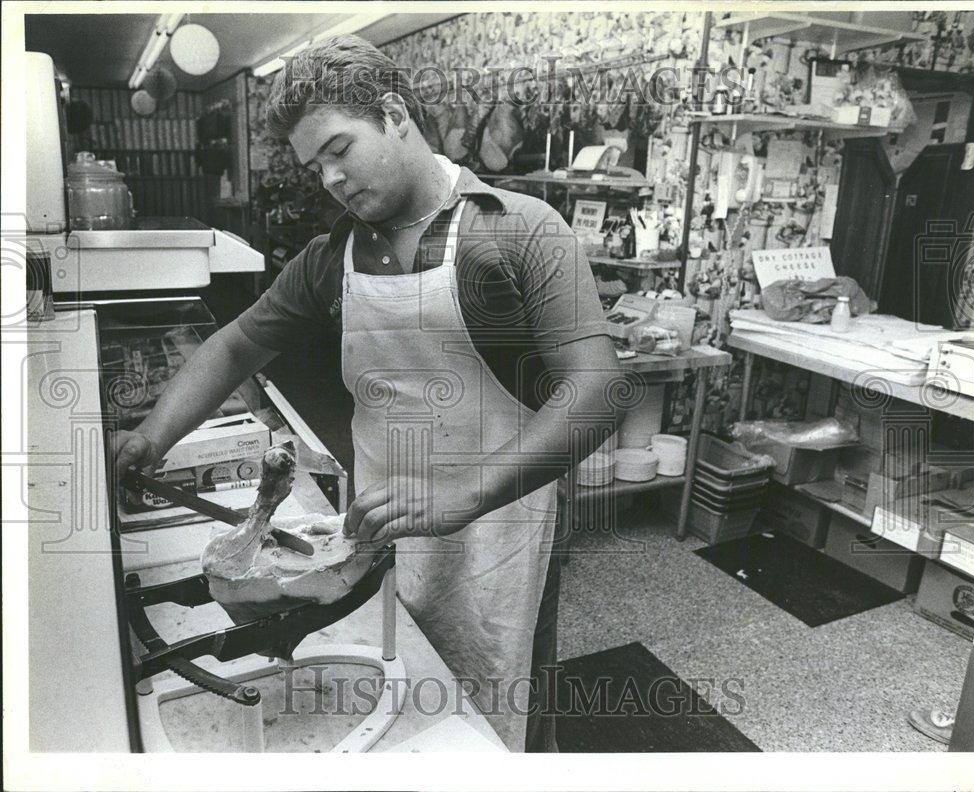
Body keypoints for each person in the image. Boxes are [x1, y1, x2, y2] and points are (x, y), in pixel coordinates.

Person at [112, 35, 624, 752]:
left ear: (393, 114)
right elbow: (234, 344)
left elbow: (599, 388)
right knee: (410, 695)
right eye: (315, 165)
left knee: (504, 708)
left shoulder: (520, 232)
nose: (330, 179)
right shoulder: (334, 259)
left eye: (339, 149)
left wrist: (464, 495)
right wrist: (151, 437)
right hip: (380, 525)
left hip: (503, 524)